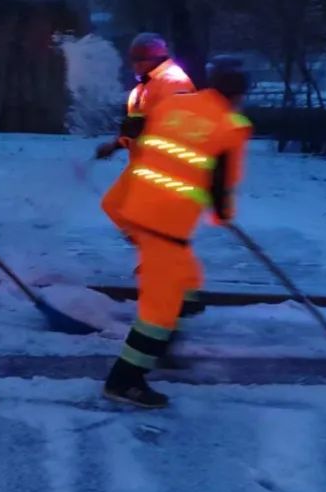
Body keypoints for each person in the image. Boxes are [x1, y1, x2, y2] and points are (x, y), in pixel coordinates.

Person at [102, 55, 253, 409]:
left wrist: (115, 144)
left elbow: (140, 130)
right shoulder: (230, 126)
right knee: (159, 313)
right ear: (239, 94)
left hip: (136, 208)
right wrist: (223, 214)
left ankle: (166, 344)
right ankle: (125, 381)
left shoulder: (176, 104)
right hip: (165, 226)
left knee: (188, 283)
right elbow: (221, 184)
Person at [96, 33, 195, 239]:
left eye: (141, 60)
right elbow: (133, 129)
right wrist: (116, 145)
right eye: (134, 59)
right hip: (142, 164)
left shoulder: (174, 81)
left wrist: (147, 126)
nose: (136, 65)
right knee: (114, 205)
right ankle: (151, 247)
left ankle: (157, 250)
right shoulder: (141, 89)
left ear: (156, 58)